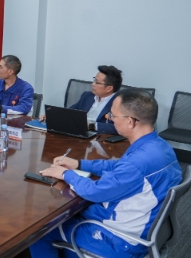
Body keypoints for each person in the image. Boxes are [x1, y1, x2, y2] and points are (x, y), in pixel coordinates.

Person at [30, 89, 182, 258]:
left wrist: (66, 174)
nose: (109, 118)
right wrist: (80, 164)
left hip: (118, 240)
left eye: (113, 115)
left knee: (39, 233)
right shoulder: (160, 146)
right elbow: (119, 166)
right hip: (141, 227)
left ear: (130, 121)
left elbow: (95, 192)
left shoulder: (137, 163)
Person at [40, 65, 122, 134]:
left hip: (99, 139)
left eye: (97, 82)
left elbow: (120, 127)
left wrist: (91, 126)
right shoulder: (87, 96)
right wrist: (53, 116)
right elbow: (71, 111)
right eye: (94, 80)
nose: (93, 84)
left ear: (109, 88)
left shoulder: (120, 103)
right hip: (78, 133)